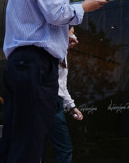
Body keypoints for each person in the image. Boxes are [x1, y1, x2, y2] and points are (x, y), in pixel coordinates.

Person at [0, 0, 106, 163]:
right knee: (32, 137)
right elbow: (57, 14)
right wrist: (85, 7)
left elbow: (38, 23)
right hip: (36, 65)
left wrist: (63, 39)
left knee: (16, 136)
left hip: (21, 63)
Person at [47, 26, 84, 163]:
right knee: (64, 148)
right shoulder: (53, 49)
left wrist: (72, 106)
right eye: (72, 32)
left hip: (54, 101)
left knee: (41, 145)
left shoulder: (61, 53)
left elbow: (61, 85)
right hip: (50, 102)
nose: (75, 37)